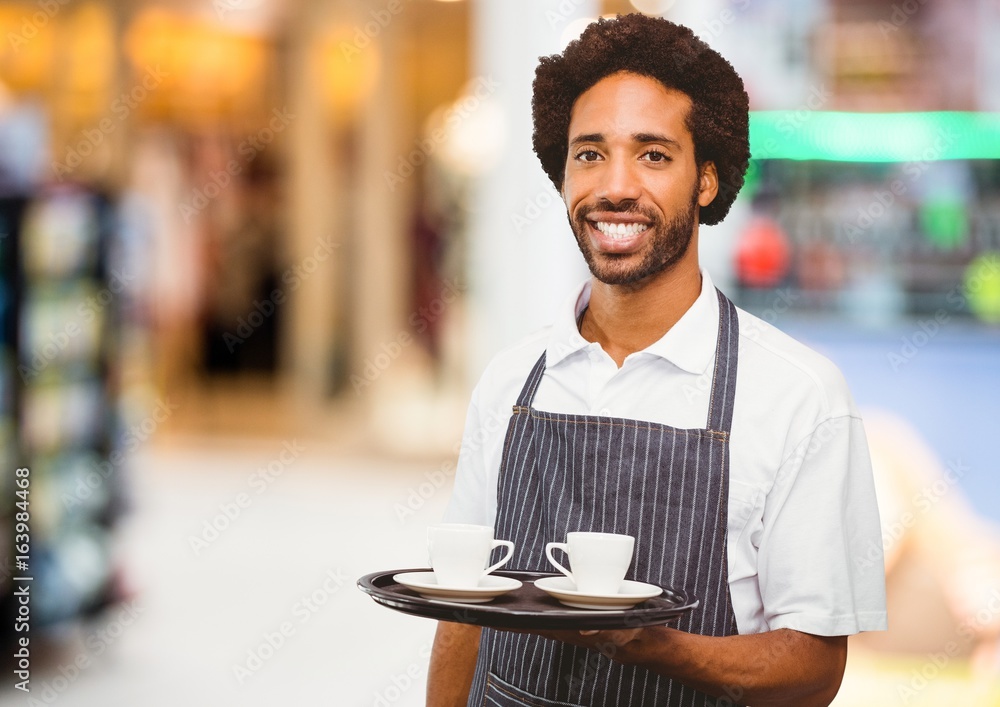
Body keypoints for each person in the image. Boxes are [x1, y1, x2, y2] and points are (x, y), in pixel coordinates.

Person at [427, 14, 887, 707]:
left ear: (706, 178)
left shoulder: (798, 396)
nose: (616, 186)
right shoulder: (510, 382)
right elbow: (464, 607)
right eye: (589, 153)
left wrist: (655, 645)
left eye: (652, 155)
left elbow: (815, 666)